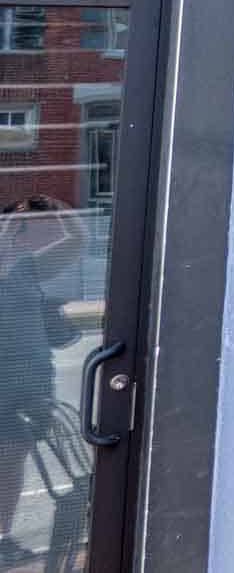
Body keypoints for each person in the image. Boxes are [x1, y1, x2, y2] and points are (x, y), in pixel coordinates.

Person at [0, 195, 86, 567]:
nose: (16, 235)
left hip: (30, 381)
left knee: (12, 457)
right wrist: (8, 228)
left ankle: (1, 536)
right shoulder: (10, 266)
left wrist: (57, 208)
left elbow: (80, 242)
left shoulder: (27, 269)